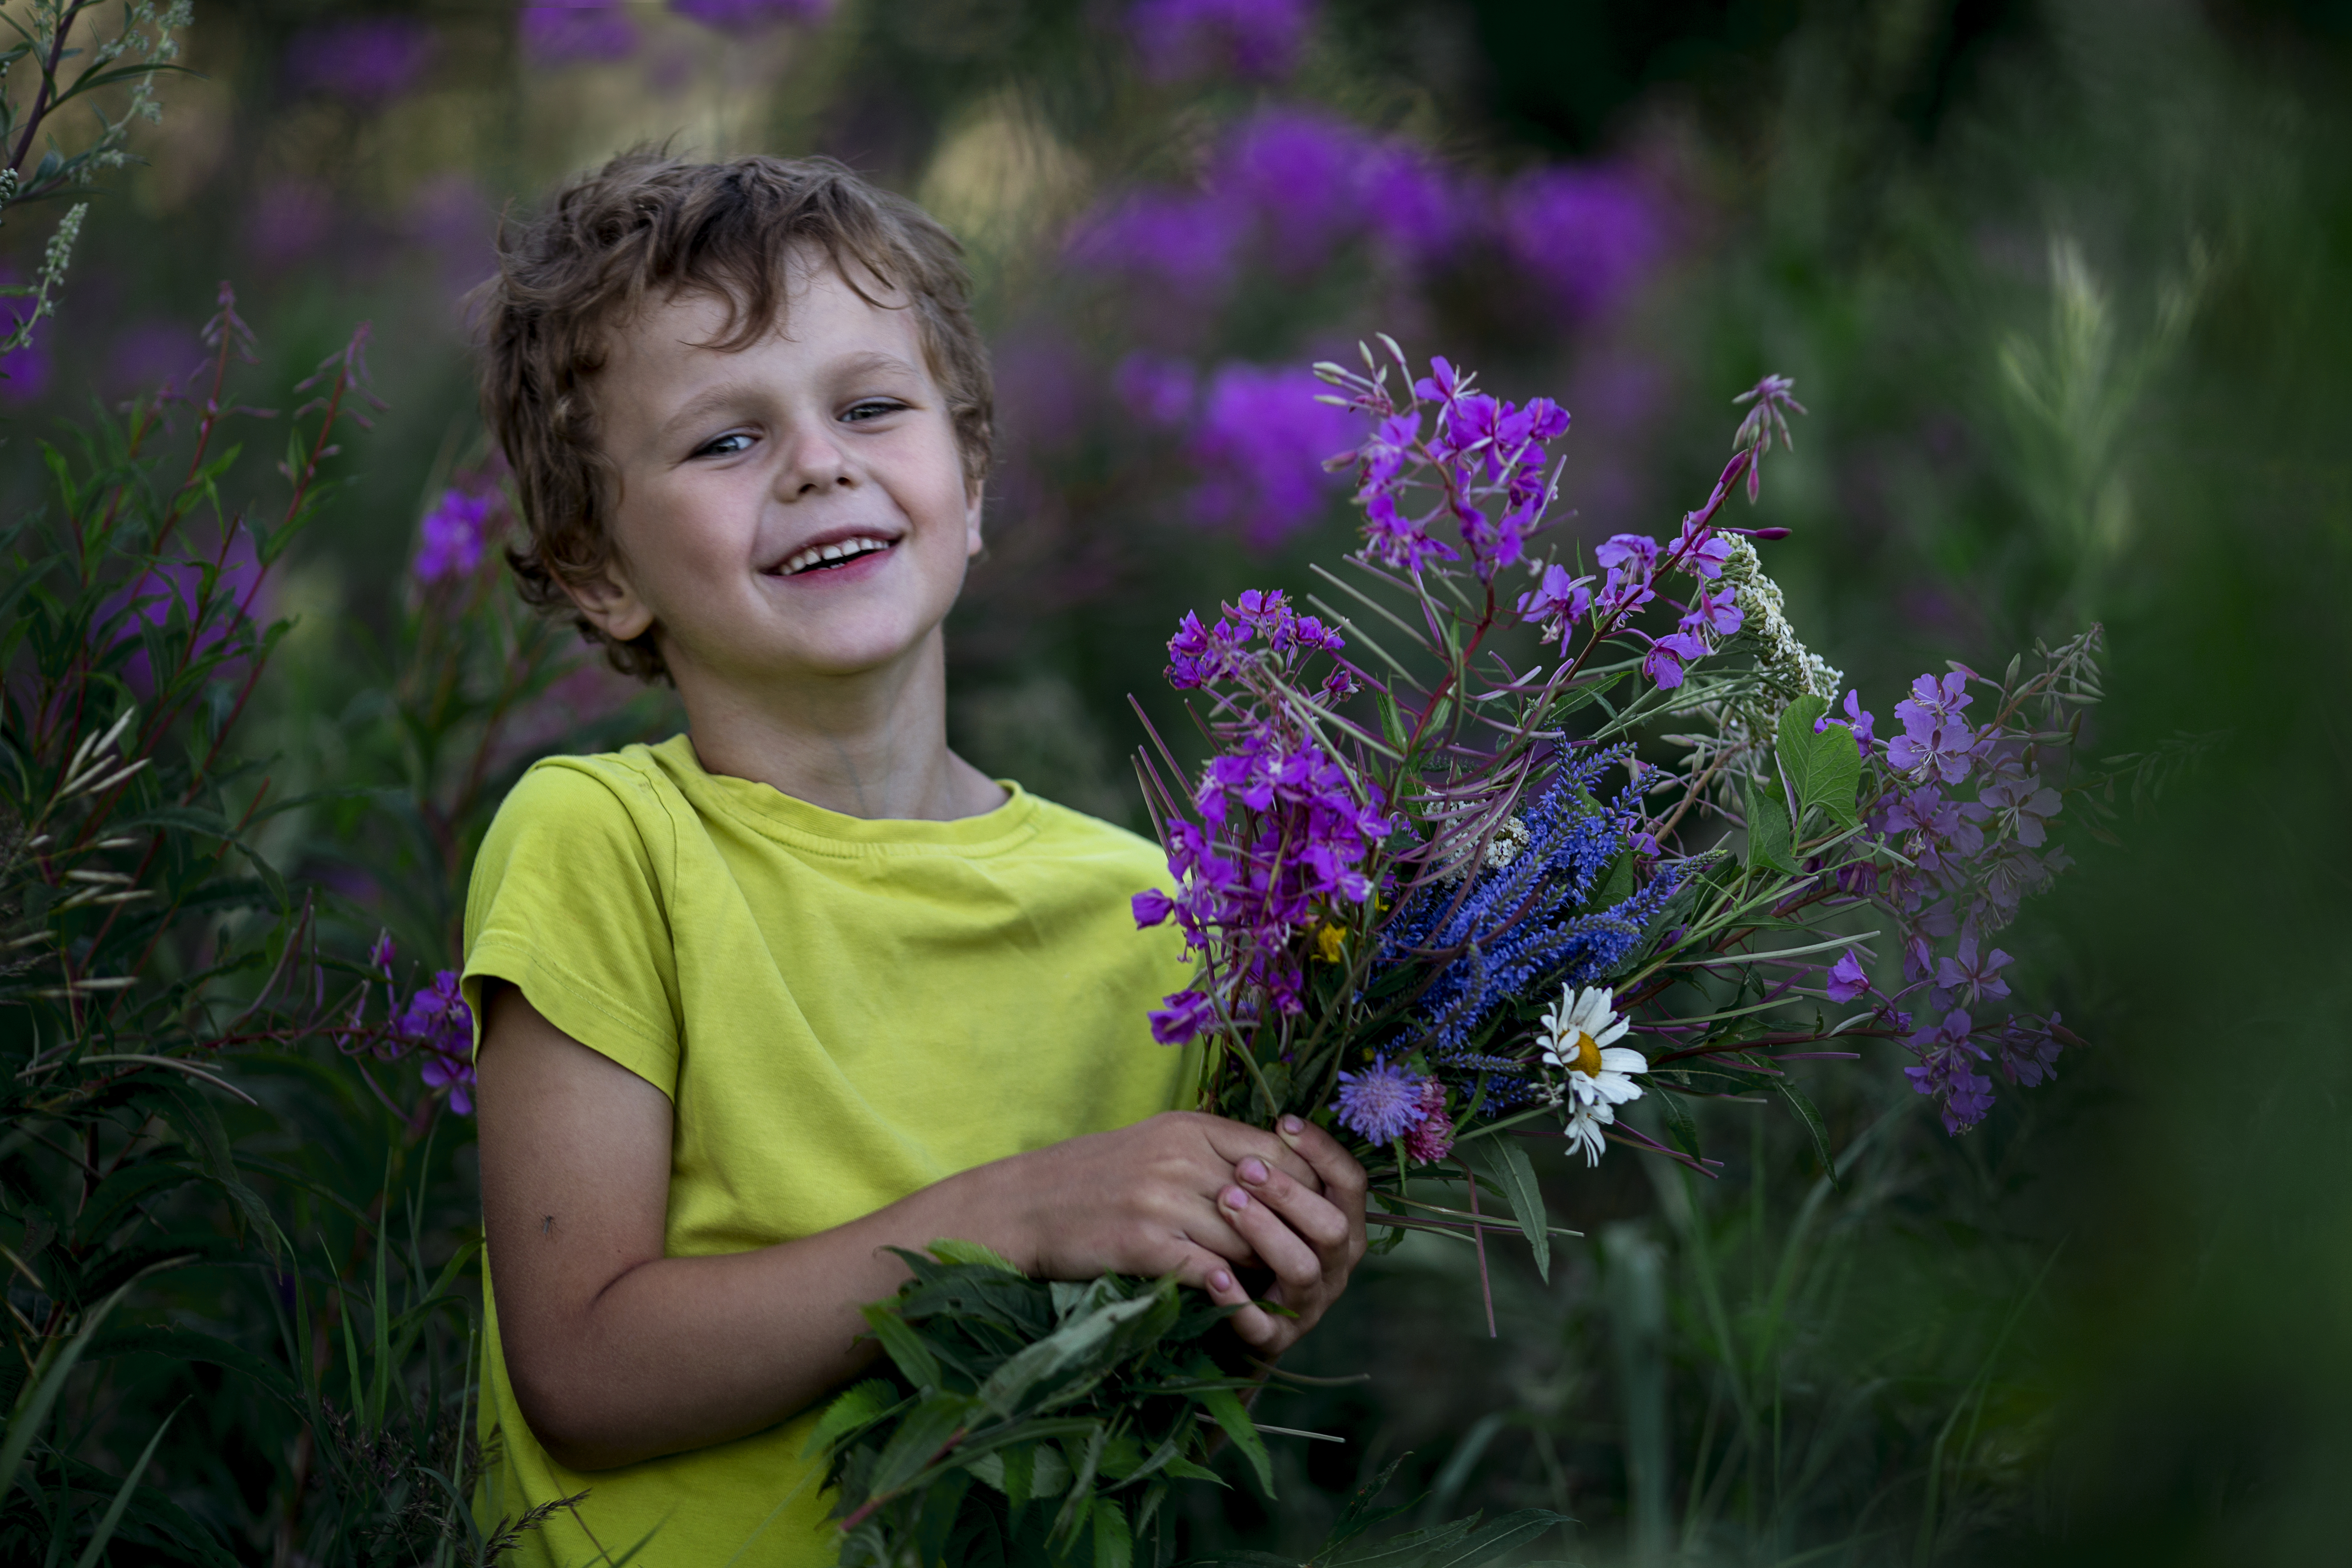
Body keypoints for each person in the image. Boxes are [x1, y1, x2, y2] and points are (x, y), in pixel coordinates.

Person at [461, 149, 1368, 1567]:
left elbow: (1127, 1417)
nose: (821, 462)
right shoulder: (606, 841)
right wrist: (1008, 1219)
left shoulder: (1160, 919)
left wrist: (1263, 1272)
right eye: (724, 440)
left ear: (973, 477)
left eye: (873, 407)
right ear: (599, 570)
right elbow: (581, 1375)